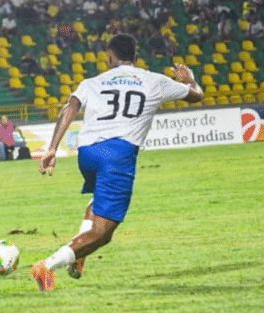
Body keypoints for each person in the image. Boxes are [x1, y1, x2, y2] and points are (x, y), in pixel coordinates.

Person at [30, 33, 203, 292]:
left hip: (87, 152)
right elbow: (196, 96)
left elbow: (69, 107)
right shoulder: (154, 80)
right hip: (118, 154)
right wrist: (189, 80)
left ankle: (79, 256)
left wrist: (52, 148)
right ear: (136, 57)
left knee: (98, 200)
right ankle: (47, 265)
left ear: (109, 58)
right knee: (103, 233)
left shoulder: (92, 82)